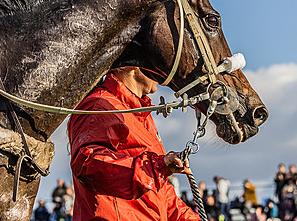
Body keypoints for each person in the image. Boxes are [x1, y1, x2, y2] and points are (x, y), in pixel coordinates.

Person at [68, 66, 200, 220]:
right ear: (133, 67)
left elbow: (158, 193)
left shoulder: (140, 114)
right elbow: (87, 164)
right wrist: (155, 167)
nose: (163, 73)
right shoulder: (99, 105)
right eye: (153, 61)